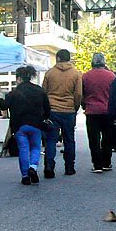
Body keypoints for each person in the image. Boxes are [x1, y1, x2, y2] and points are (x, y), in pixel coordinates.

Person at [0, 66, 51, 185]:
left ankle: (25, 176)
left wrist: (1, 97)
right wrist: (45, 118)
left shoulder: (14, 93)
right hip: (36, 125)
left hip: (19, 126)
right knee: (36, 147)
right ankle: (33, 167)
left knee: (23, 149)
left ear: (18, 78)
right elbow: (47, 108)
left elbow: (3, 107)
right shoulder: (39, 90)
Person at [42, 49, 84, 177]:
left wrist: (46, 109)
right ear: (69, 58)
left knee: (51, 139)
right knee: (69, 140)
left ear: (58, 58)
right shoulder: (76, 74)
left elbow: (44, 92)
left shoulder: (50, 73)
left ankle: (49, 165)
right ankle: (69, 167)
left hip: (52, 109)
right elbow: (78, 94)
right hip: (68, 110)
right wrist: (75, 108)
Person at [82, 53, 116, 174]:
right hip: (107, 111)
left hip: (91, 111)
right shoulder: (111, 76)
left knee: (94, 139)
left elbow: (82, 93)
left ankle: (97, 165)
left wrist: (84, 105)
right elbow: (114, 95)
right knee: (107, 138)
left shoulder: (85, 76)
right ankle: (106, 162)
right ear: (104, 62)